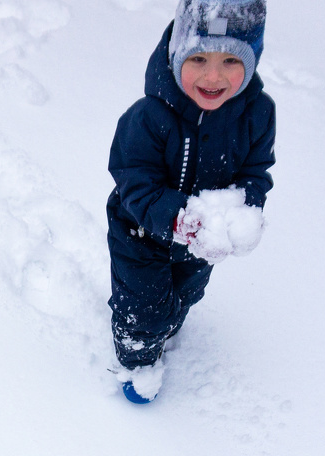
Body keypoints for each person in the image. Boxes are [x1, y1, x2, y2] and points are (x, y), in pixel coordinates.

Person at [106, 0, 275, 403]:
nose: (213, 76)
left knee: (187, 294)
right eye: (198, 58)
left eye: (231, 60)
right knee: (143, 309)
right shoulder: (148, 116)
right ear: (176, 54)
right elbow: (134, 181)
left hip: (204, 242)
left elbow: (256, 172)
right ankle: (138, 363)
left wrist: (244, 211)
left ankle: (168, 326)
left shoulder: (258, 115)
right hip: (140, 233)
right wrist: (179, 219)